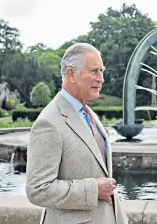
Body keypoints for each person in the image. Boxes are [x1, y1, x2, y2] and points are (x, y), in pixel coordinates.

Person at [26, 43, 129, 224]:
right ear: (71, 75)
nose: (101, 78)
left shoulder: (88, 112)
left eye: (102, 71)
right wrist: (93, 190)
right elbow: (38, 190)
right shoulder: (48, 123)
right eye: (94, 71)